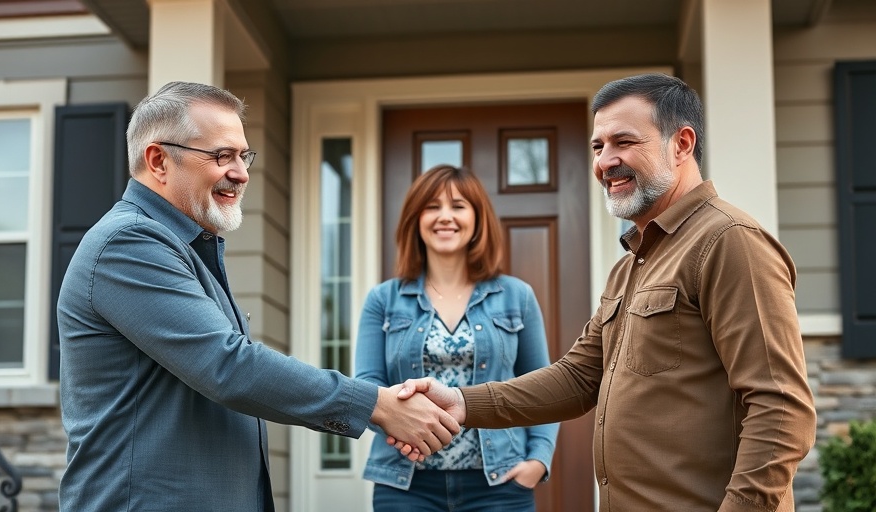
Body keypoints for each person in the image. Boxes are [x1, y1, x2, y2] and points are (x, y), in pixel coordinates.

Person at [393, 73, 818, 511]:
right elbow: (578, 378)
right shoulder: (632, 263)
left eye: (624, 142)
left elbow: (781, 408)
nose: (604, 161)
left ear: (682, 144)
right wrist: (461, 402)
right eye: (598, 146)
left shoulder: (730, 241)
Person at [56, 81, 459, 512]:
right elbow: (228, 366)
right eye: (221, 155)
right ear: (158, 160)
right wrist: (376, 405)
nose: (242, 172)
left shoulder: (185, 244)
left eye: (244, 156)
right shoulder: (128, 243)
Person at [355, 164, 559, 512]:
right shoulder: (383, 300)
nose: (444, 217)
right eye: (432, 207)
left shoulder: (517, 296)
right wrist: (401, 429)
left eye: (458, 206)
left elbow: (544, 388)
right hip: (406, 487)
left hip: (500, 485)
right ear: (415, 220)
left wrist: (539, 459)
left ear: (478, 219)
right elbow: (367, 386)